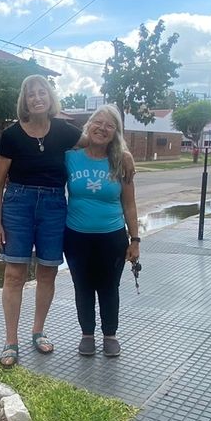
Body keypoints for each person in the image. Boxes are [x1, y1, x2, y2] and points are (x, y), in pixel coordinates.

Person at [0, 75, 83, 369]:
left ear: (50, 97)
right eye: (31, 94)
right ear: (25, 101)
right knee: (14, 274)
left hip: (55, 205)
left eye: (42, 92)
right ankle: (10, 341)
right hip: (17, 204)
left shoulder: (65, 131)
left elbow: (99, 141)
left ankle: (38, 331)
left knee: (47, 273)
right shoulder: (11, 135)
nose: (37, 98)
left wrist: (125, 154)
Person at [62, 104, 139, 357]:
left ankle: (110, 335)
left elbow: (129, 203)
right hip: (76, 237)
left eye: (110, 125)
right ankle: (87, 334)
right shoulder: (70, 157)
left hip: (112, 237)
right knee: (82, 286)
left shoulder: (121, 161)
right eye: (98, 122)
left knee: (108, 287)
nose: (102, 128)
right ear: (88, 125)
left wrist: (135, 239)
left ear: (115, 132)